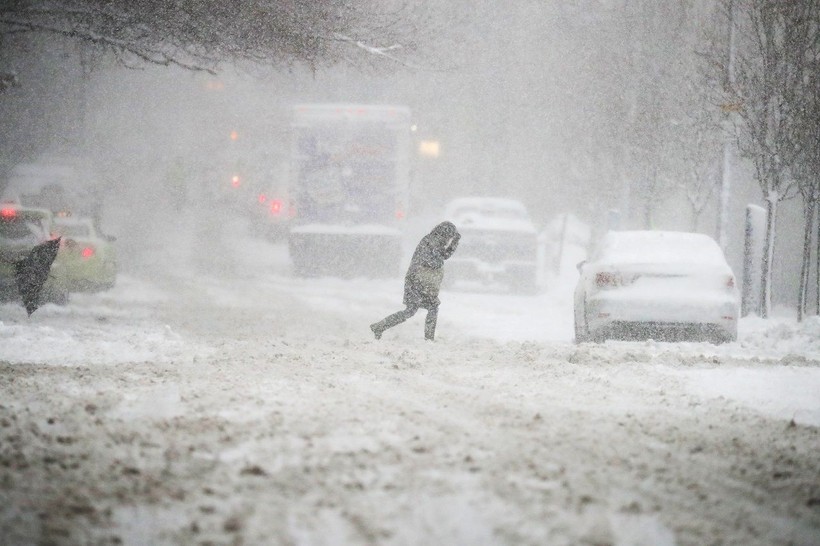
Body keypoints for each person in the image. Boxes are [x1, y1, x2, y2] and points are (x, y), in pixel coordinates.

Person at [370, 221, 461, 341]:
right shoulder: (431, 242)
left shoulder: (434, 241)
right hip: (417, 282)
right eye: (449, 237)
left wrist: (454, 243)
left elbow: (444, 256)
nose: (449, 239)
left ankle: (380, 326)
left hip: (422, 282)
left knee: (423, 309)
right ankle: (380, 327)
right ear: (444, 234)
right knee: (415, 310)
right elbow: (435, 260)